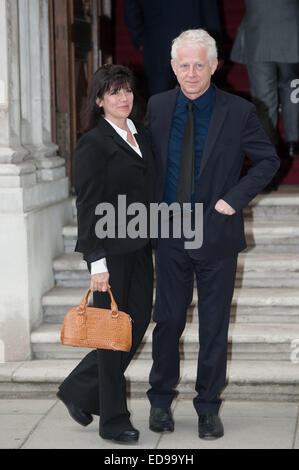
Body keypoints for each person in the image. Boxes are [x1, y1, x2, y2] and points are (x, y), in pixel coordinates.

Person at [146, 29, 280, 440]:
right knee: (167, 319)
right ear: (173, 67)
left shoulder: (238, 111)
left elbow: (267, 161)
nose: (190, 73)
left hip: (216, 233)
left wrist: (233, 199)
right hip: (169, 232)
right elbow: (144, 161)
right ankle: (160, 400)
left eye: (198, 65)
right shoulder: (158, 105)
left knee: (213, 326)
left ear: (213, 66)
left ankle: (207, 407)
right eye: (183, 65)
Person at [57, 64, 155, 444]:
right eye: (113, 92)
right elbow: (88, 206)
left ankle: (78, 389)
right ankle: (113, 420)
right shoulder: (92, 144)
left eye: (127, 90)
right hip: (109, 255)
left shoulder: (141, 135)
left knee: (137, 323)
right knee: (112, 335)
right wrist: (95, 262)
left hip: (141, 245)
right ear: (99, 101)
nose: (123, 98)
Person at [231, 0, 299, 159]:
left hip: (258, 29)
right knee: (292, 86)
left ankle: (268, 147)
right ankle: (293, 141)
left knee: (263, 96)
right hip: (290, 26)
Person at [125, 0, 222, 96]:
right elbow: (210, 15)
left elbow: (131, 10)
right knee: (198, 100)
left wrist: (140, 39)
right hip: (193, 45)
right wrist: (216, 49)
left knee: (159, 101)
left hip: (157, 47)